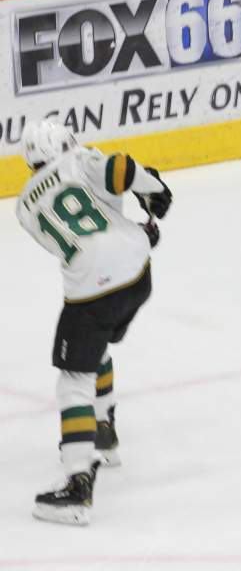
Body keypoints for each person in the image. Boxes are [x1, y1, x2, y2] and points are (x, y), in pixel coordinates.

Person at [14, 120, 172, 525]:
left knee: (73, 380)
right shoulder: (81, 160)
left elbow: (83, 233)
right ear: (66, 144)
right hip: (137, 276)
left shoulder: (24, 206)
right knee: (94, 349)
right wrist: (153, 191)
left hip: (91, 292)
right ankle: (104, 431)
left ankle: (78, 483)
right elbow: (119, 168)